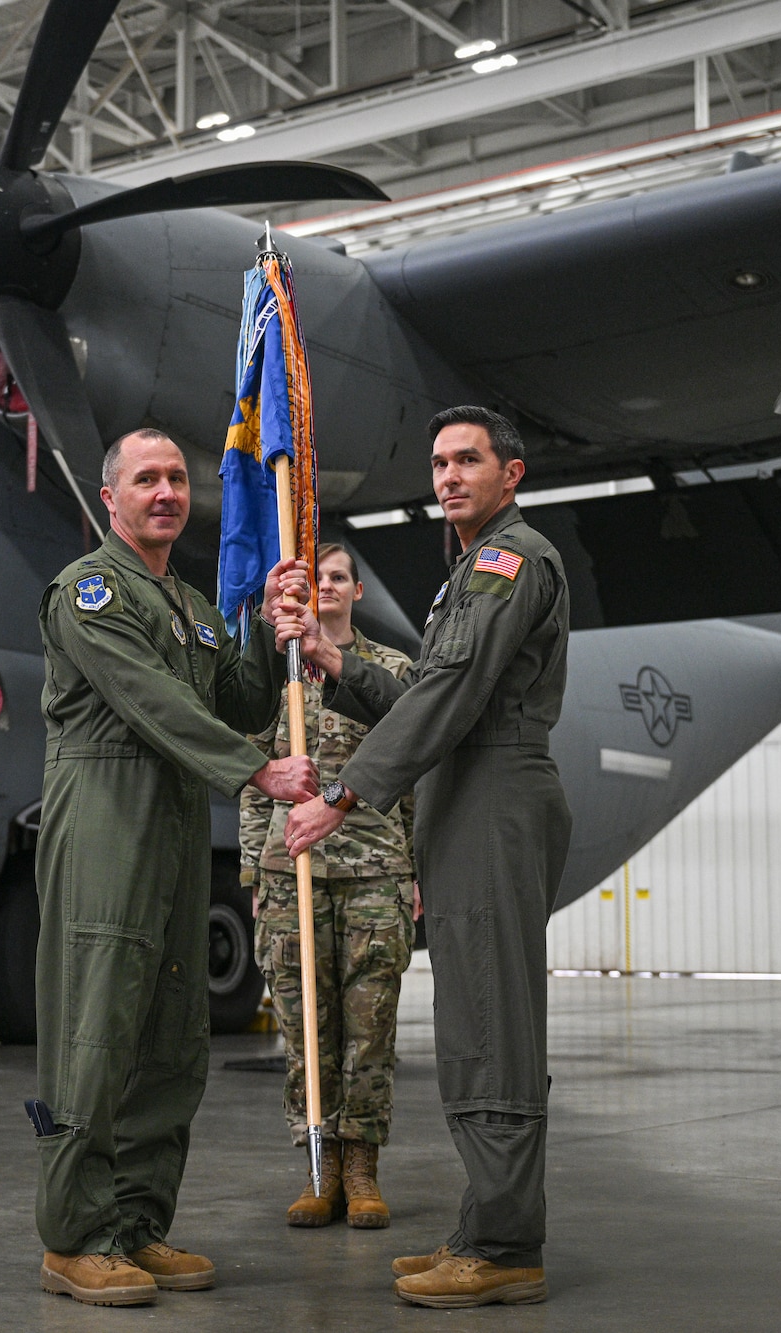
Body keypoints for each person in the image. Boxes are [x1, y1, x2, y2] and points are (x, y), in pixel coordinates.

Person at [280, 406, 571, 1310]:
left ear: (510, 473)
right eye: (440, 462)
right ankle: (484, 1221)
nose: (447, 476)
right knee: (473, 1020)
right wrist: (333, 657)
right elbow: (426, 690)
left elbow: (451, 692)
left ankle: (504, 1245)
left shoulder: (507, 561)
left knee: (492, 1025)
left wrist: (343, 792)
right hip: (463, 799)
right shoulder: (467, 572)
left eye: (468, 460)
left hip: (492, 796)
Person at [32, 428, 319, 1308]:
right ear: (111, 496)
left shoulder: (191, 601)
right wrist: (257, 768)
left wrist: (269, 631)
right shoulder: (88, 592)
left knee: (169, 1031)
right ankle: (75, 1237)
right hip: (108, 818)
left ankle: (136, 1224)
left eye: (177, 479)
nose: (166, 492)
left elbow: (233, 696)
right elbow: (148, 700)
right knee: (97, 1027)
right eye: (146, 479)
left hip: (180, 823)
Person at [238, 541, 417, 1229]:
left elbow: (414, 778)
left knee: (369, 1030)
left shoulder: (391, 671)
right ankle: (318, 1166)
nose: (330, 588)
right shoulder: (279, 678)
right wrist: (256, 867)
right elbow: (257, 781)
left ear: (358, 591)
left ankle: (362, 1167)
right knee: (303, 1028)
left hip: (374, 870)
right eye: (318, 580)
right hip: (293, 876)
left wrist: (416, 868)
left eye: (340, 577)